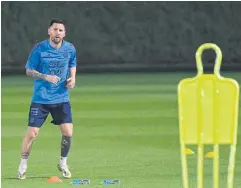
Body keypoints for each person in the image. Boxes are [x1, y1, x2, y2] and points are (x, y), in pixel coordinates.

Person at [17, 19, 77, 180]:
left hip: (61, 97)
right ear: (49, 31)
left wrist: (72, 78)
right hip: (41, 98)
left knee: (68, 132)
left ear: (64, 33)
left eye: (61, 30)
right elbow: (29, 71)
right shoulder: (39, 49)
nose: (58, 33)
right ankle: (23, 165)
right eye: (55, 29)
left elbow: (72, 63)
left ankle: (63, 163)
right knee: (32, 134)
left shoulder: (70, 48)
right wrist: (45, 76)